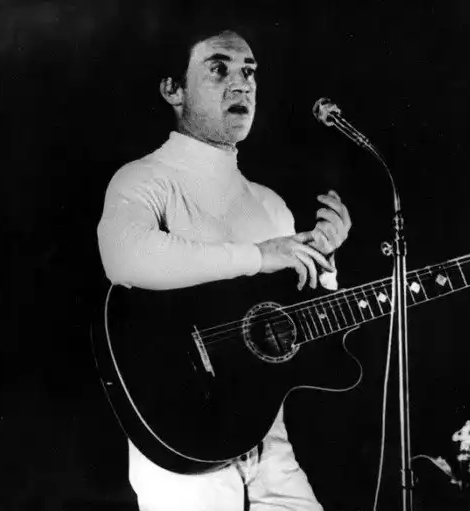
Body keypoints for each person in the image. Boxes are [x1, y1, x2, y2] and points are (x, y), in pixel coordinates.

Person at [96, 18, 352, 511]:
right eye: (219, 69)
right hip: (185, 451)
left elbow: (296, 327)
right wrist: (259, 256)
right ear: (173, 90)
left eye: (249, 72)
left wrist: (324, 260)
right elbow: (124, 258)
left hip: (268, 444)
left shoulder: (271, 205)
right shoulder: (142, 180)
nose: (242, 84)